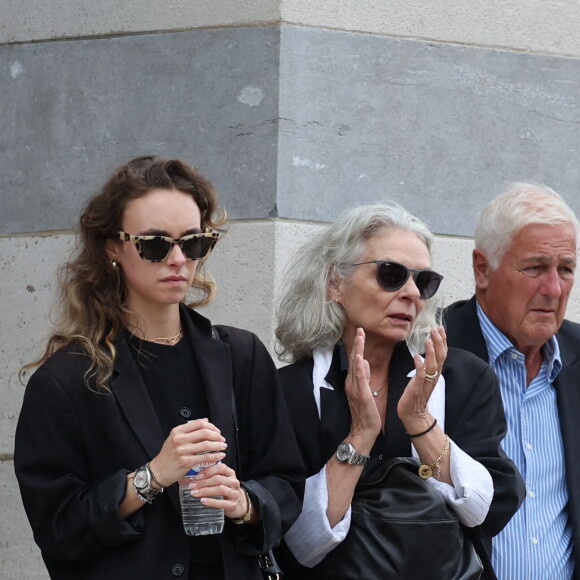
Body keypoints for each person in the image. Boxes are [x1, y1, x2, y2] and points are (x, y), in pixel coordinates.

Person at [14, 156, 304, 580]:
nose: (178, 259)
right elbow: (58, 527)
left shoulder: (241, 356)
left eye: (193, 242)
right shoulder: (68, 380)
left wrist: (245, 502)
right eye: (154, 244)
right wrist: (150, 478)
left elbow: (286, 480)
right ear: (113, 246)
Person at [275, 202, 525, 579]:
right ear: (335, 283)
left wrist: (420, 423)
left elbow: (487, 513)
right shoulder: (290, 390)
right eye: (391, 274)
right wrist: (360, 437)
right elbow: (300, 542)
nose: (411, 293)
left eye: (423, 281)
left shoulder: (461, 377)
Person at [444, 183, 580, 580]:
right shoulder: (434, 357)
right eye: (535, 267)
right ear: (482, 270)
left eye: (566, 269)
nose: (554, 289)